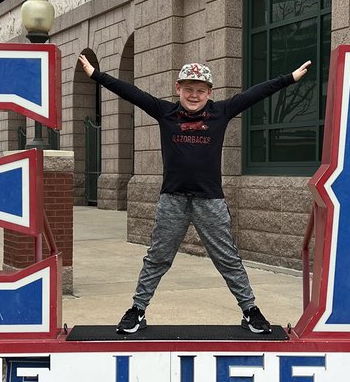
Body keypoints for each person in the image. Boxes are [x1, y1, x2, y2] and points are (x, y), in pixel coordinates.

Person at [78, 53, 311, 334]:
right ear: (178, 89)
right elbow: (132, 93)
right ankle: (137, 310)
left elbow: (255, 94)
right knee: (158, 257)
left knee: (227, 258)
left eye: (200, 90)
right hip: (172, 200)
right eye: (188, 89)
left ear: (209, 93)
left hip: (210, 201)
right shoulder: (165, 112)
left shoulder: (221, 112)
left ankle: (250, 310)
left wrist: (290, 78)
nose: (194, 95)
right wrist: (95, 75)